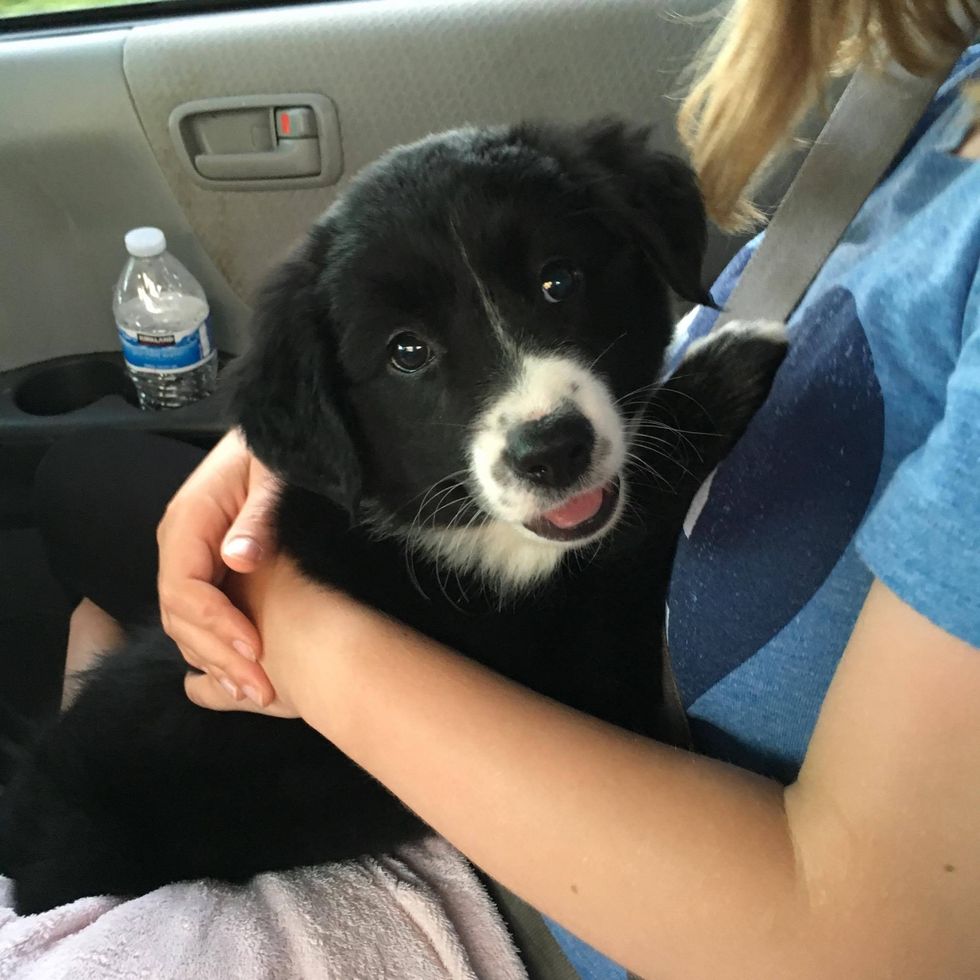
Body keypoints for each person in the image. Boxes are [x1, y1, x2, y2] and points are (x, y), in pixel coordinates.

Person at [38, 2, 980, 977]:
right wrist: (278, 453)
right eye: (408, 351)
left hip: (549, 831)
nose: (534, 405)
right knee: (77, 482)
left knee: (86, 539)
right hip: (363, 683)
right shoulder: (927, 76)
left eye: (556, 284)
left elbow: (859, 935)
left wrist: (297, 630)